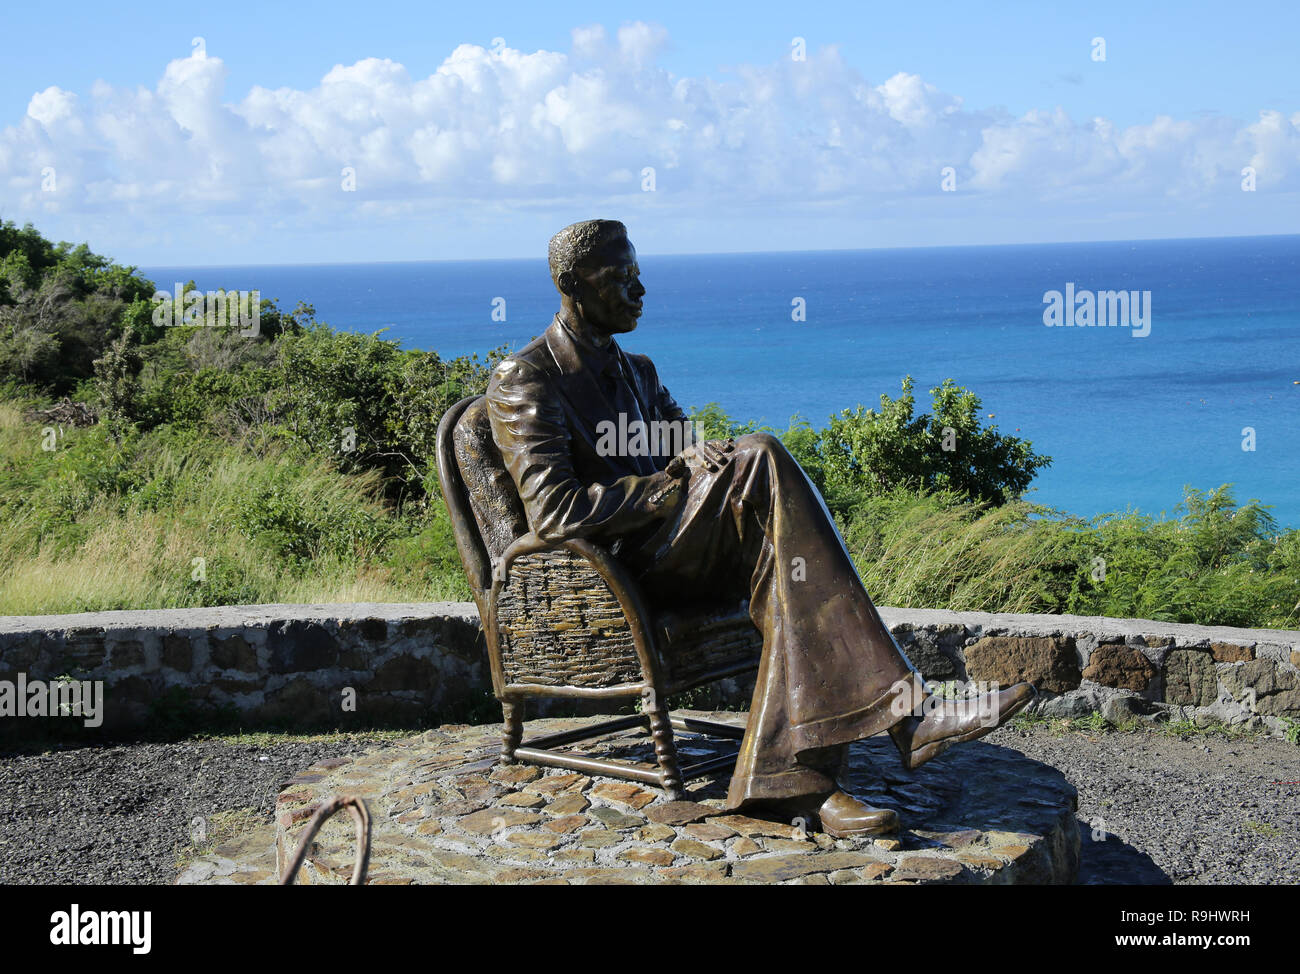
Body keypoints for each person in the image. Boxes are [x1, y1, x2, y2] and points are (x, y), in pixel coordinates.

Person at [485, 219, 1034, 836]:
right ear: (569, 285)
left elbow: (687, 449)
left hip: (685, 546)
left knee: (787, 563)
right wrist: (666, 487)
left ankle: (802, 786)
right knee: (763, 454)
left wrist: (694, 454)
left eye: (638, 275)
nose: (638, 291)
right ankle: (910, 717)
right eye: (618, 279)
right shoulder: (526, 376)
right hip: (622, 567)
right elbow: (553, 509)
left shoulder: (638, 370)